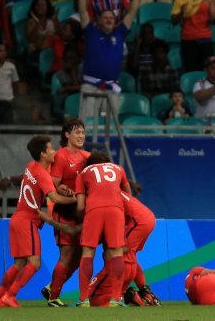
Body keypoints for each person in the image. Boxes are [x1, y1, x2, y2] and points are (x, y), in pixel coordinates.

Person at [0, 135, 78, 308]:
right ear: (43, 154)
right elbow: (55, 199)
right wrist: (75, 199)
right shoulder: (42, 173)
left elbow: (44, 183)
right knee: (35, 263)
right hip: (27, 221)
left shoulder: (31, 167)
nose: (54, 151)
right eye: (50, 148)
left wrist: (57, 186)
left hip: (16, 219)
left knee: (19, 263)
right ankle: (10, 295)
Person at [40, 119, 90, 307]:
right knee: (67, 254)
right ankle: (54, 297)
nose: (81, 136)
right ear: (67, 135)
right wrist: (61, 189)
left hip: (80, 212)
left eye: (83, 132)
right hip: (64, 211)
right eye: (77, 132)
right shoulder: (61, 156)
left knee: (79, 256)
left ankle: (52, 287)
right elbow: (52, 183)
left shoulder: (86, 157)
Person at [74, 151, 131, 307]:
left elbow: (80, 206)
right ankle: (116, 299)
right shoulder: (118, 168)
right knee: (116, 251)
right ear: (107, 161)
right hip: (116, 209)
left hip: (93, 209)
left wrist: (82, 218)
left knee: (88, 252)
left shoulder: (83, 173)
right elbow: (128, 194)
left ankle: (84, 299)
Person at [78, 0, 141, 119]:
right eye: (105, 17)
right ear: (98, 20)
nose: (109, 20)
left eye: (111, 18)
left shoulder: (119, 33)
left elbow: (132, 12)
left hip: (111, 88)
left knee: (110, 128)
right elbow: (82, 10)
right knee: (86, 125)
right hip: (90, 86)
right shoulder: (91, 32)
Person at [89, 191, 160, 307]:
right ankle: (140, 293)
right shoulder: (115, 189)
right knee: (127, 252)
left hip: (139, 221)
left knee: (113, 253)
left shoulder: (100, 196)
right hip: (147, 217)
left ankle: (119, 298)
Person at [171, 0, 215, 72]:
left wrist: (214, 16)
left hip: (205, 39)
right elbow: (174, 21)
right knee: (190, 71)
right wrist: (181, 12)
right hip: (188, 39)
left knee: (209, 71)